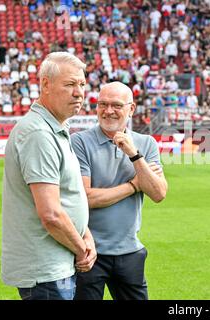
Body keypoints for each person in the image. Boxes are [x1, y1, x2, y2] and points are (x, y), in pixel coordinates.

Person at [1, 52, 96, 300]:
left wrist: (85, 233)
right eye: (70, 84)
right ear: (45, 84)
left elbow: (68, 195)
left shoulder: (54, 129)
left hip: (55, 266)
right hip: (46, 272)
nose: (79, 93)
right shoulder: (38, 134)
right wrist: (82, 249)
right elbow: (51, 214)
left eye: (82, 85)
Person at [71, 81, 168, 300]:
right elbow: (85, 198)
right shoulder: (79, 142)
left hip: (130, 250)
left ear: (131, 109)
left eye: (116, 105)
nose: (108, 111)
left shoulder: (146, 143)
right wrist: (133, 185)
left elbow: (159, 193)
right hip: (88, 251)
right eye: (102, 104)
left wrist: (134, 155)